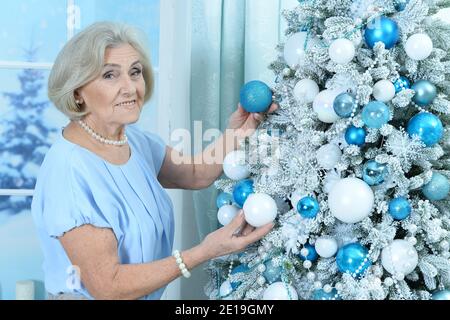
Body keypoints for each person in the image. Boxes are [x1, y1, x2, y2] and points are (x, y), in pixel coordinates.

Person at [31, 21, 278, 300]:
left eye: (135, 72)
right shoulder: (69, 172)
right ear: (77, 92)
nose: (130, 87)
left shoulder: (131, 139)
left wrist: (239, 130)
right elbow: (108, 287)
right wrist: (204, 252)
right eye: (110, 75)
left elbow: (196, 173)